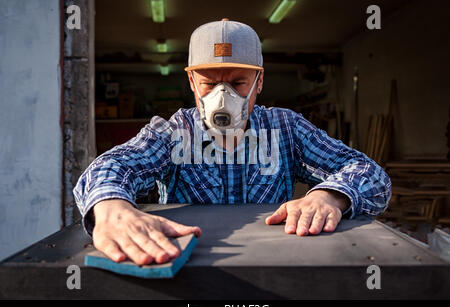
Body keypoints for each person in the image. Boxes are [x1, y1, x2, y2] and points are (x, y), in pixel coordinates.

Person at [74, 19, 392, 266]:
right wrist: (112, 207)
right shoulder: (173, 132)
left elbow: (370, 173)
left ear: (259, 82)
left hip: (274, 269)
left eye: (238, 83)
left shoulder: (287, 129)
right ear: (191, 82)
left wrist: (329, 197)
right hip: (186, 272)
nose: (222, 98)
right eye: (209, 83)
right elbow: (113, 165)